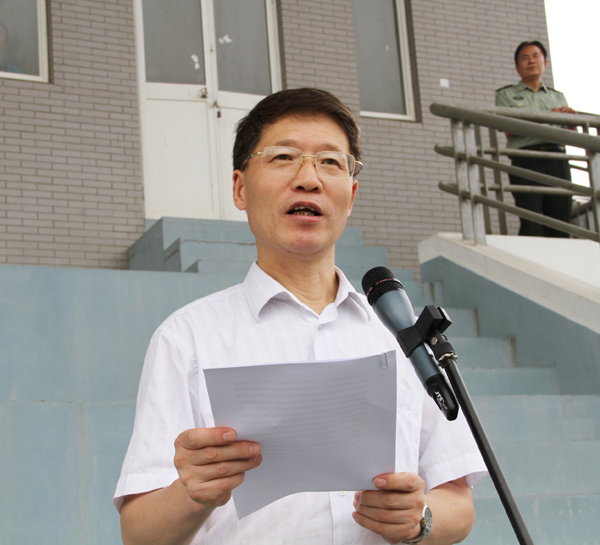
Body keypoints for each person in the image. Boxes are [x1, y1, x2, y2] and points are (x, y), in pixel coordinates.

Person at [114, 88, 487, 545]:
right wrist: (191, 494)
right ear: (240, 188)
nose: (308, 179)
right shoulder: (185, 337)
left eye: (330, 162)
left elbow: (458, 501)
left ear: (351, 195)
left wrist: (419, 519)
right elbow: (138, 532)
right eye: (283, 157)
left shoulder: (401, 334)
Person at [495, 40, 576, 237]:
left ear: (545, 63)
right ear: (517, 68)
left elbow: (569, 134)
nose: (531, 61)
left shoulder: (558, 97)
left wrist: (571, 123)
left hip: (557, 159)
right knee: (531, 220)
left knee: (561, 221)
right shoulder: (506, 94)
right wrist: (549, 116)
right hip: (526, 159)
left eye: (535, 56)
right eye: (525, 58)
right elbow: (508, 128)